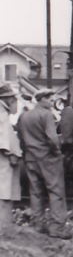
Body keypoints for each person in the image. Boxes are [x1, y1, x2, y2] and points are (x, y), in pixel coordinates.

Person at [17, 89, 71, 239]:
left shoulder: (24, 116)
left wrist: (27, 152)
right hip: (47, 158)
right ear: (41, 99)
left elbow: (21, 138)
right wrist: (57, 152)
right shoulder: (46, 114)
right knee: (55, 191)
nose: (51, 102)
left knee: (36, 192)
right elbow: (52, 138)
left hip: (31, 158)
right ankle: (56, 227)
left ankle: (38, 225)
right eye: (49, 99)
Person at [0, 84, 22, 229]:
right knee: (4, 190)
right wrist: (11, 154)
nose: (15, 101)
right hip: (4, 159)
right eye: (13, 98)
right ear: (7, 99)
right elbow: (2, 138)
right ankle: (4, 225)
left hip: (4, 158)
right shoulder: (1, 113)